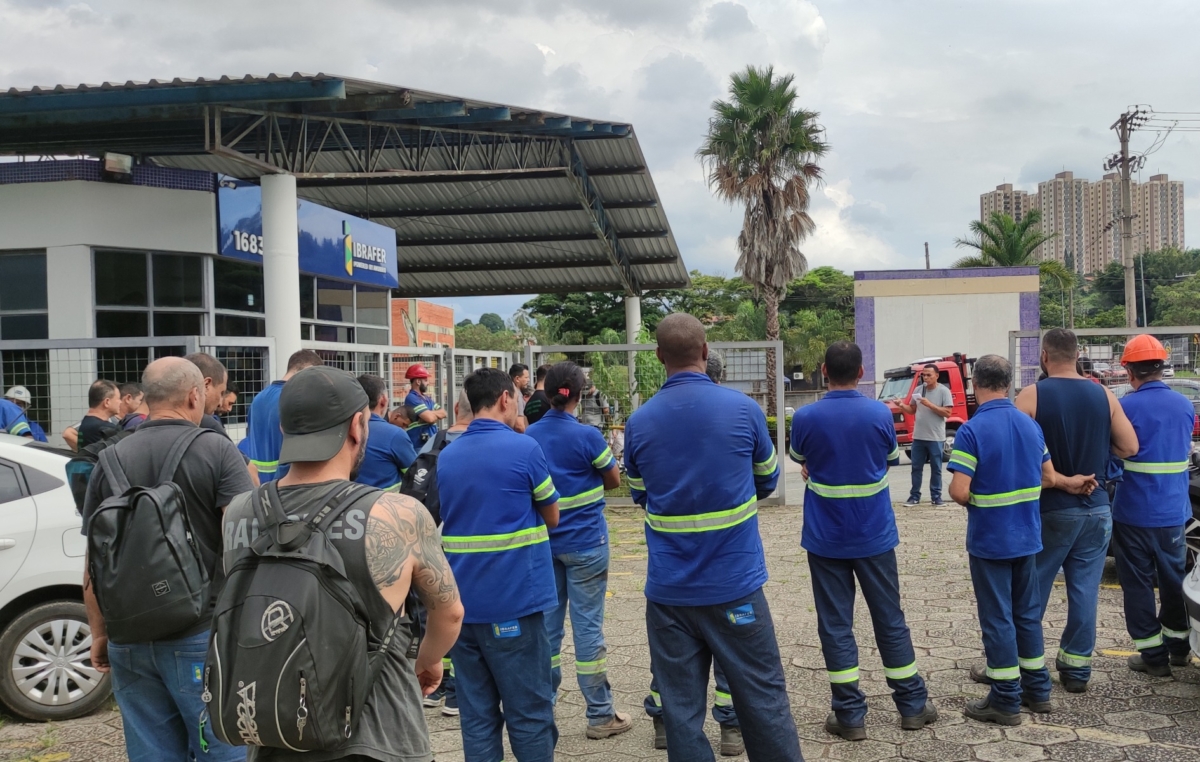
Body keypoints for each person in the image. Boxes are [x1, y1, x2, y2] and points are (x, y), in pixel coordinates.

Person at [222, 365, 463, 762]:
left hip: (277, 725)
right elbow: (450, 614)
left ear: (284, 431)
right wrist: (429, 661)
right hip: (380, 734)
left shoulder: (239, 511)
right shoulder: (397, 514)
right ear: (357, 426)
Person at [626, 313, 801, 762]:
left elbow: (640, 495)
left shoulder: (639, 423)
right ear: (705, 352)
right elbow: (767, 481)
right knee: (762, 695)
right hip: (735, 584)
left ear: (660, 356)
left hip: (669, 594)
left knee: (681, 709)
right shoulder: (744, 410)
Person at [81, 357, 254, 762]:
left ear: (144, 398)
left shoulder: (109, 460)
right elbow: (244, 542)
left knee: (151, 753)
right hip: (200, 632)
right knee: (221, 748)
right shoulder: (216, 450)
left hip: (129, 637)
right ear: (195, 394)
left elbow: (95, 561)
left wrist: (100, 632)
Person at [789, 341, 936, 740]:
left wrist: (814, 469)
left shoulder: (805, 416)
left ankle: (850, 715)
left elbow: (798, 455)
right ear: (860, 371)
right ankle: (912, 705)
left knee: (836, 625)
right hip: (874, 535)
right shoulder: (878, 412)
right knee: (889, 619)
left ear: (823, 370)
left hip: (825, 538)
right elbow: (888, 458)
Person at [948, 354, 1096, 725]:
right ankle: (1038, 691)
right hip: (1028, 537)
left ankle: (1005, 699)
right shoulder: (1030, 426)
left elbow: (960, 491)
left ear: (975, 384)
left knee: (997, 619)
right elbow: (1048, 477)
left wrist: (981, 495)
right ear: (1008, 382)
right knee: (1027, 615)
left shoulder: (972, 431)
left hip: (990, 541)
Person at [438, 367, 561, 762]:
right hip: (514, 603)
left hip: (463, 608)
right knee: (529, 714)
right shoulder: (524, 449)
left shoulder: (448, 454)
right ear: (507, 398)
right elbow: (552, 515)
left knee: (476, 716)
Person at [1015, 328, 1138, 693]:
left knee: (1030, 591)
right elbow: (1130, 446)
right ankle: (1077, 670)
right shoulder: (1103, 394)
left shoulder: (1032, 395)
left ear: (1045, 357)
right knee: (1085, 592)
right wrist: (1099, 451)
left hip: (1050, 510)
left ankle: (1022, 669)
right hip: (1097, 509)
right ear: (1077, 354)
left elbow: (1014, 447)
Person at [641, 348, 743, 756]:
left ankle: (663, 719)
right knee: (732, 653)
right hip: (729, 569)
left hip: (670, 572)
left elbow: (639, 492)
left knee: (671, 660)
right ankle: (731, 728)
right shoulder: (736, 413)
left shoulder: (646, 418)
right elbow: (766, 480)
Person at [526, 362, 628, 739]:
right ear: (581, 393)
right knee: (587, 629)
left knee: (548, 632)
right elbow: (614, 480)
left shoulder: (530, 436)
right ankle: (600, 715)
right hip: (587, 545)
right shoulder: (588, 437)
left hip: (545, 546)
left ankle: (541, 713)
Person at [1111, 335, 1195, 676]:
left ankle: (1153, 657)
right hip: (1173, 512)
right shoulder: (1184, 405)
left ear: (1129, 370)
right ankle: (1179, 649)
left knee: (1137, 584)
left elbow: (1113, 454)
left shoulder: (1125, 407)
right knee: (1174, 580)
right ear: (1162, 367)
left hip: (1132, 512)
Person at [247, 349, 324, 483]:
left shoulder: (258, 399)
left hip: (258, 485)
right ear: (308, 370)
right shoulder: (294, 400)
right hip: (284, 487)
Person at [898, 364, 953, 507]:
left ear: (937, 375)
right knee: (916, 468)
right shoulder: (918, 390)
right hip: (918, 437)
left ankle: (936, 496)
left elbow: (947, 413)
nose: (925, 377)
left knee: (936, 468)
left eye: (929, 375)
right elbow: (912, 410)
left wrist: (930, 404)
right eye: (924, 375)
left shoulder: (943, 391)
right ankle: (914, 496)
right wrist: (902, 405)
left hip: (935, 437)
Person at [356, 373, 418, 491]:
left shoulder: (341, 431)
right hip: (386, 505)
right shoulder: (394, 435)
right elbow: (415, 475)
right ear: (383, 400)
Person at [185, 352, 231, 437]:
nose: (220, 403)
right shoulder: (211, 428)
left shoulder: (154, 423)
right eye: (221, 393)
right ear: (206, 385)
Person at [403, 364, 446, 450]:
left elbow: (444, 413)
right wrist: (430, 415)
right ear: (418, 382)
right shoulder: (411, 398)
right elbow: (430, 419)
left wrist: (428, 413)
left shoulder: (426, 398)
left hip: (430, 442)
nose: (428, 383)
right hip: (419, 445)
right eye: (425, 380)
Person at [75, 379, 121, 449]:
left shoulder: (86, 423)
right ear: (107, 402)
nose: (121, 402)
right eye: (118, 398)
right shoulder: (104, 429)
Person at [510, 363, 530, 432]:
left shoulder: (510, 392)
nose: (528, 380)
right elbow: (520, 426)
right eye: (526, 377)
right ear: (517, 379)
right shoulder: (517, 396)